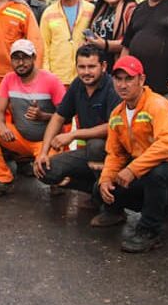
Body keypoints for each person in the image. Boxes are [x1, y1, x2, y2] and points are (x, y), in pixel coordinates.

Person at [96, 55, 168, 253]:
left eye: (129, 79)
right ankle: (157, 209)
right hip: (147, 173)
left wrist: (132, 170)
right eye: (118, 79)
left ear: (141, 80)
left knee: (158, 173)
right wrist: (106, 179)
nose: (123, 85)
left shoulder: (158, 105)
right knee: (103, 187)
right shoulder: (117, 114)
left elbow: (167, 145)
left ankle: (150, 231)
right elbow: (115, 154)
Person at [0, 39, 65, 197]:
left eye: (25, 57)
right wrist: (3, 127)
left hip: (47, 143)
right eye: (16, 58)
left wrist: (43, 116)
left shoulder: (51, 80)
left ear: (34, 57)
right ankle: (4, 179)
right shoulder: (9, 79)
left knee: (52, 176)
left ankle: (55, 180)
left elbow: (66, 117)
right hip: (19, 138)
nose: (21, 63)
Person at [33, 45, 120, 218]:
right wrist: (43, 152)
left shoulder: (113, 87)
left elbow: (112, 126)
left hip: (116, 155)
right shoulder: (77, 85)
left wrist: (73, 134)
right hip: (90, 153)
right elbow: (58, 117)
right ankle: (93, 190)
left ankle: (113, 208)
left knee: (96, 145)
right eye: (81, 67)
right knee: (46, 171)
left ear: (103, 66)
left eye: (91, 67)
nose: (86, 72)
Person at [39, 0, 95, 85]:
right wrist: (46, 73)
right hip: (57, 77)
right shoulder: (49, 12)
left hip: (84, 76)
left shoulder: (90, 10)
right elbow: (44, 45)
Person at [86, 0, 137, 69]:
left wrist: (105, 44)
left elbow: (131, 41)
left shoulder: (131, 10)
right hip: (97, 65)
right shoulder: (100, 9)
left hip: (116, 63)